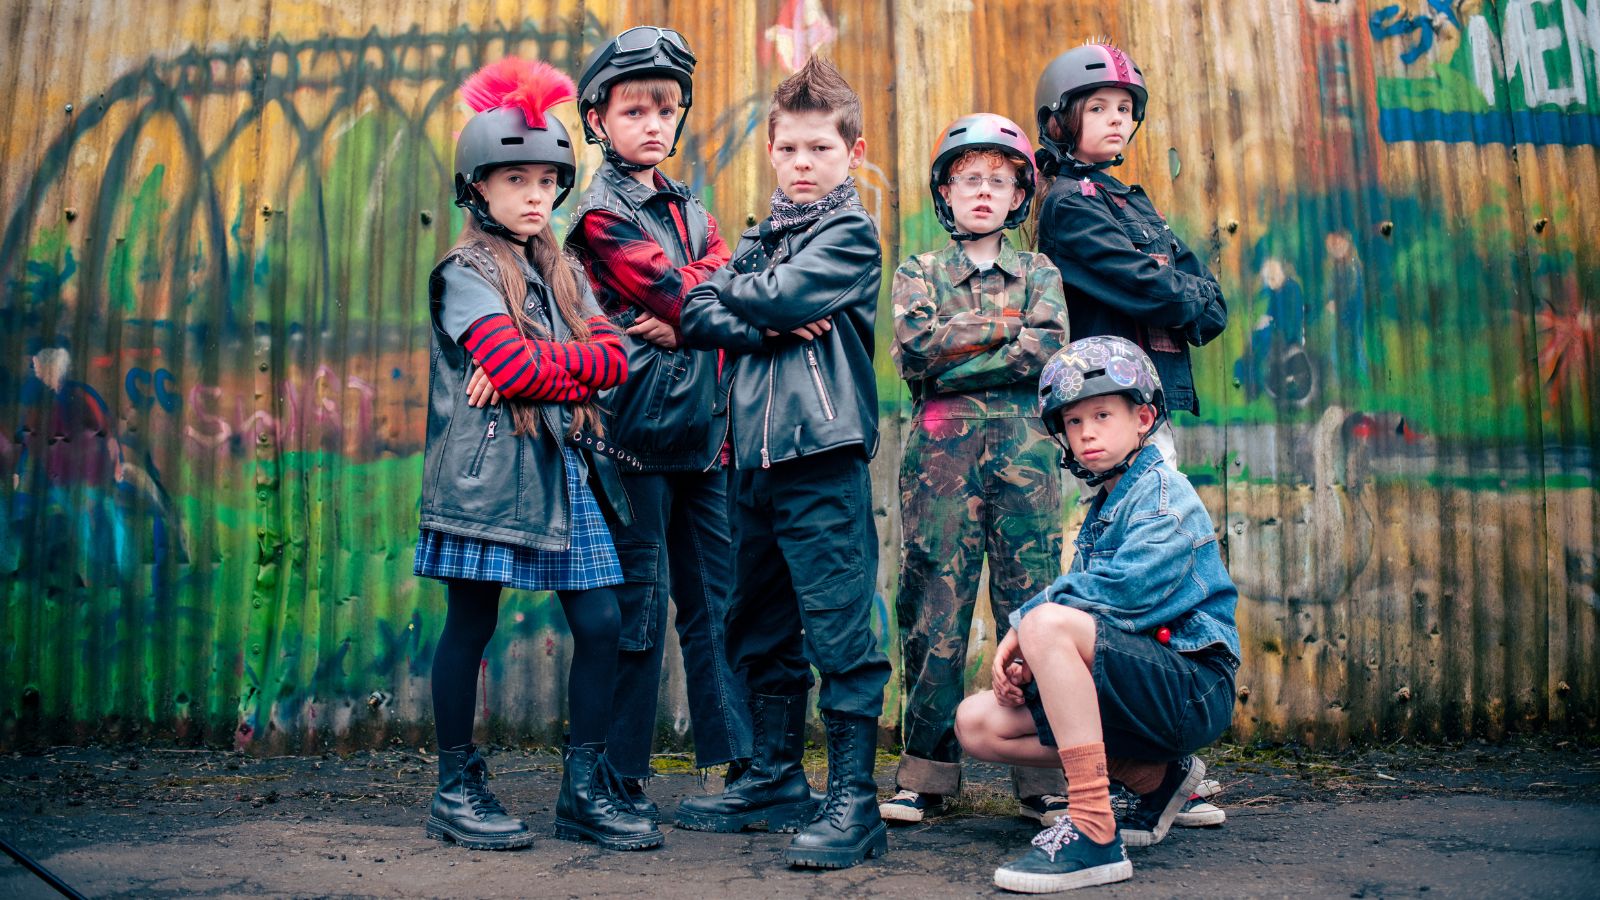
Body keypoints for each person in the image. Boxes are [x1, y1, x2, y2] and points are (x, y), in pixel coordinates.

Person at [415, 57, 657, 852]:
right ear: (477, 186)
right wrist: (550, 371)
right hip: (488, 477)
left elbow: (615, 360)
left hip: (562, 465)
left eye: (547, 181)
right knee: (470, 625)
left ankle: (582, 793)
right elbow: (518, 364)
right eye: (514, 179)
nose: (534, 196)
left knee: (601, 620)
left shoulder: (560, 270)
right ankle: (456, 788)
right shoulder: (464, 270)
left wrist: (535, 375)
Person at [671, 55, 891, 871]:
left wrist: (749, 301)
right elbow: (694, 309)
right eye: (790, 150)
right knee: (755, 626)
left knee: (838, 630)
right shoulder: (763, 237)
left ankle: (855, 804)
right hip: (749, 461)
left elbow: (774, 297)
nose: (803, 165)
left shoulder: (850, 232)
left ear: (852, 151)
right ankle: (772, 778)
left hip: (819, 457)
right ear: (771, 150)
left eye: (820, 150)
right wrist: (757, 316)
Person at [954, 335, 1241, 893]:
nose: (1086, 433)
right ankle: (1153, 777)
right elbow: (1092, 625)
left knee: (1045, 623)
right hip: (1140, 687)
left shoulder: (1163, 494)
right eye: (1074, 421)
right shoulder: (1105, 504)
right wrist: (1032, 665)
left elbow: (1124, 593)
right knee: (977, 722)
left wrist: (1026, 628)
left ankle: (1091, 826)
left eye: (1103, 415)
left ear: (1143, 418)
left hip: (1193, 689)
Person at [565, 25, 751, 823]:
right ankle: (617, 773)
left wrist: (691, 308)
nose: (653, 123)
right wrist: (699, 296)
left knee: (719, 603)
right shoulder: (597, 213)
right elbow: (682, 288)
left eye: (666, 109)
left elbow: (717, 284)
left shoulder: (694, 210)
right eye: (634, 109)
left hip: (705, 437)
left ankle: (743, 768)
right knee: (637, 609)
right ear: (599, 119)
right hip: (631, 439)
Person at [880, 113, 1071, 827]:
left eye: (999, 181)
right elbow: (917, 353)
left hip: (1025, 468)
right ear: (946, 193)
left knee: (1038, 613)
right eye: (969, 180)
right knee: (935, 610)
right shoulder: (917, 272)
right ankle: (925, 777)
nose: (983, 193)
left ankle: (1044, 777)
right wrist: (1004, 330)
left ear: (1019, 195)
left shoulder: (1040, 271)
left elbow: (1050, 349)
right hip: (941, 468)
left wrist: (959, 348)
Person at [1032, 41, 1227, 475]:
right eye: (1098, 108)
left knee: (1152, 516)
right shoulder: (1071, 205)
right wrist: (1189, 295)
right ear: (1060, 120)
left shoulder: (1131, 201)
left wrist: (1188, 296)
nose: (1116, 117)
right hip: (1105, 400)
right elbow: (1148, 287)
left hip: (1145, 395)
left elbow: (1213, 311)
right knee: (1144, 520)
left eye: (1124, 107)